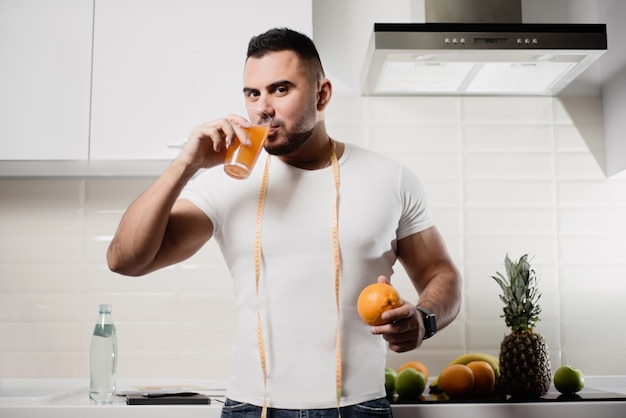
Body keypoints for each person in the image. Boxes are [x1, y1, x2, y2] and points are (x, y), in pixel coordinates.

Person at [107, 27, 462, 418]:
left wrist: (424, 320)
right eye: (252, 93)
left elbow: (440, 273)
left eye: (280, 89)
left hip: (359, 408)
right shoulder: (225, 182)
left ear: (321, 94)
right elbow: (125, 259)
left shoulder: (389, 178)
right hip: (252, 408)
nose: (262, 108)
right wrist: (184, 165)